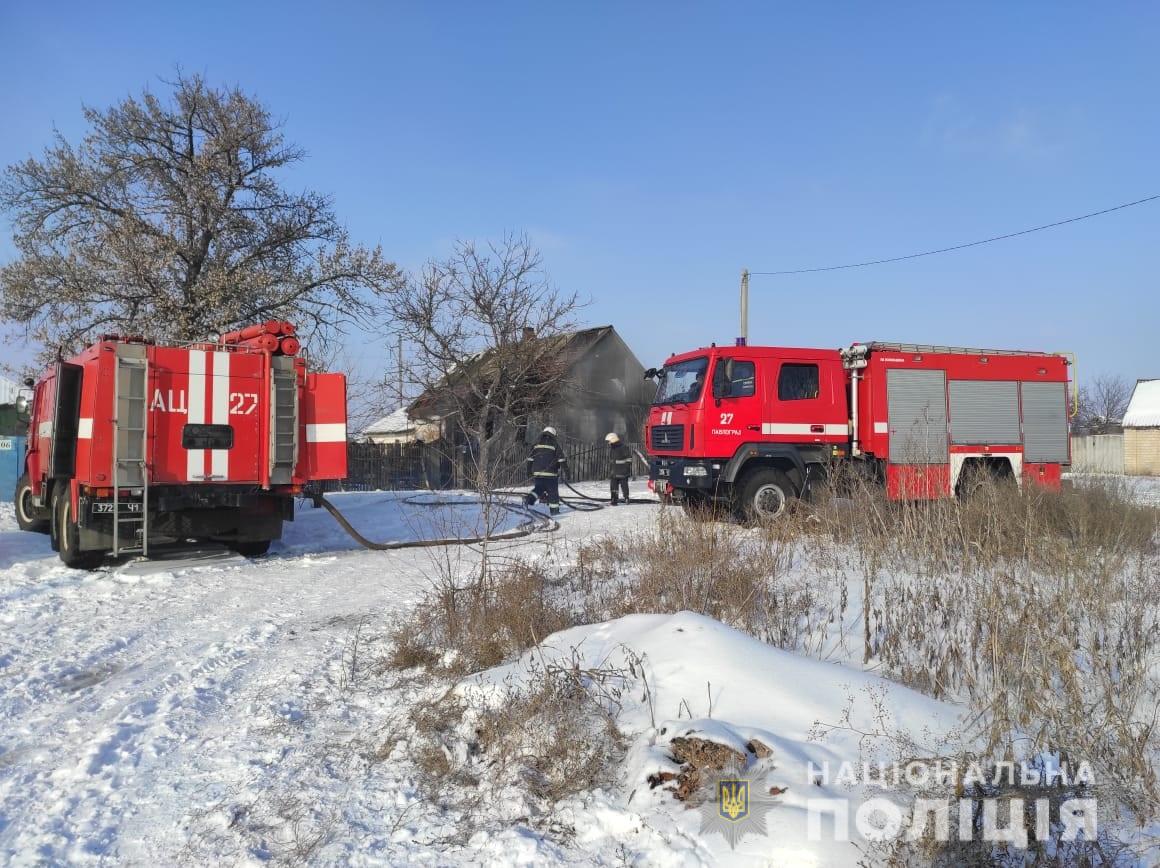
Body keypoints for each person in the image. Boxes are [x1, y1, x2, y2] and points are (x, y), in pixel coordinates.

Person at [525, 425, 566, 515]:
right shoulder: (555, 444)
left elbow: (530, 459)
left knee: (538, 489)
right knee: (553, 493)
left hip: (538, 474)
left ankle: (528, 500)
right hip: (551, 474)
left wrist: (528, 471)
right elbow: (561, 459)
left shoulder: (536, 443)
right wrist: (567, 472)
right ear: (553, 435)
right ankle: (554, 511)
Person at [605, 432, 632, 505]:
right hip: (614, 472)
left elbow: (629, 459)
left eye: (609, 441)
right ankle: (614, 500)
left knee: (624, 486)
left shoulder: (623, 447)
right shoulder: (613, 448)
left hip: (622, 472)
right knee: (613, 487)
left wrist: (625, 468)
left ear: (613, 440)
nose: (608, 443)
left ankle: (626, 498)